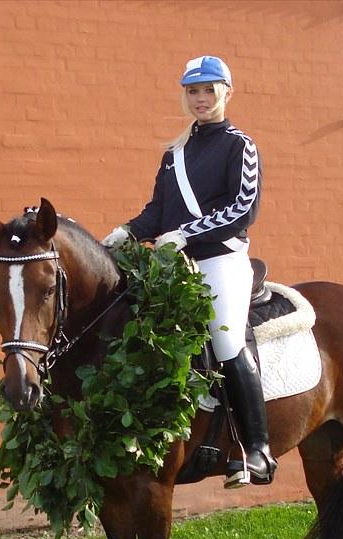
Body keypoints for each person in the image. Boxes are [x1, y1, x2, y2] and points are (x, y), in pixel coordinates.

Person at [102, 55, 277, 489]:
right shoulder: (174, 154)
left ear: (226, 93)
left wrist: (185, 233)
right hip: (175, 265)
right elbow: (157, 212)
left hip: (221, 260)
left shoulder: (241, 145)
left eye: (209, 90)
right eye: (193, 92)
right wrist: (126, 231)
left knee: (224, 338)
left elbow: (243, 209)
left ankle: (257, 449)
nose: (201, 99)